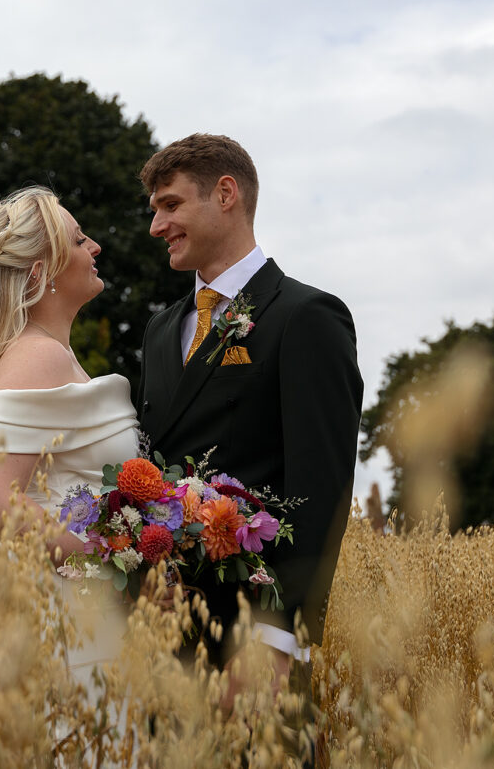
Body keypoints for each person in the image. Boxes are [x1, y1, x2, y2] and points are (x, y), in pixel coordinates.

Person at [136, 134, 362, 711]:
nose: (157, 226)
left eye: (171, 205)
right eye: (156, 210)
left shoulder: (305, 317)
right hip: (160, 637)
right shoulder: (162, 331)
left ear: (227, 194)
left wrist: (277, 641)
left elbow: (320, 494)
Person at [0, 185, 140, 699]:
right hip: (69, 614)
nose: (95, 246)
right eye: (79, 240)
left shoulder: (51, 355)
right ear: (41, 273)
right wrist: (109, 565)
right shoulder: (37, 358)